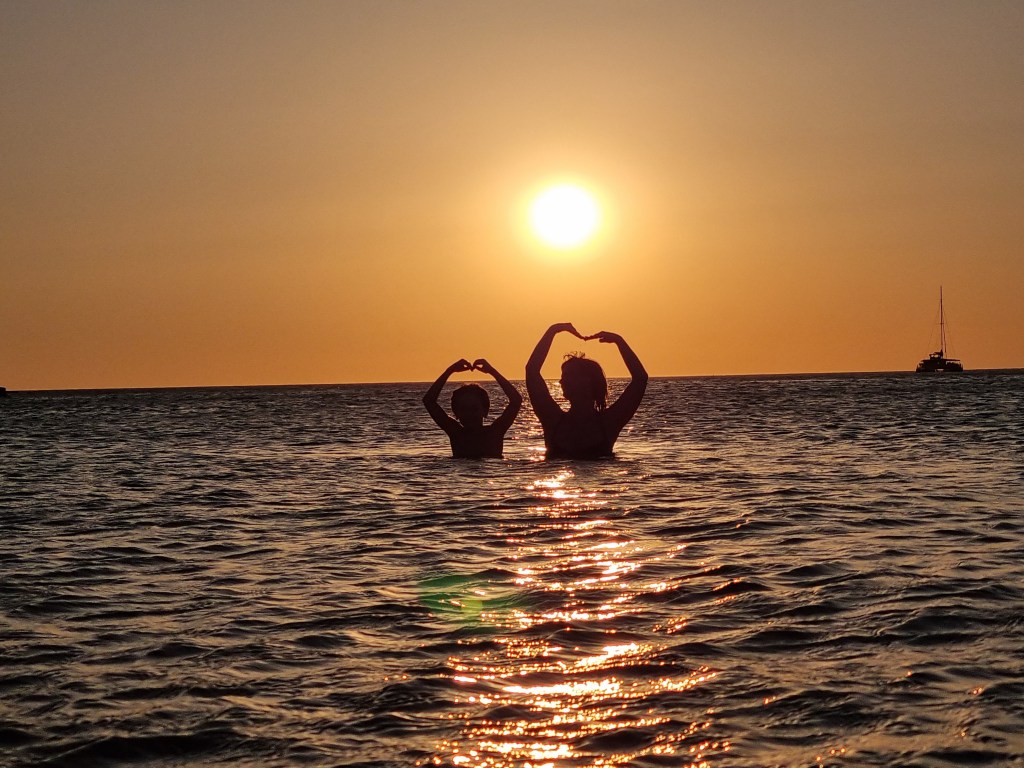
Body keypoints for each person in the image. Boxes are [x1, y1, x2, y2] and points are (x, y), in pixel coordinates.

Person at [526, 323, 647, 459]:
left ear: (587, 381)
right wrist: (553, 330)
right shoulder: (553, 419)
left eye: (568, 376)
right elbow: (531, 371)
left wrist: (619, 341)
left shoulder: (609, 422)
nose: (561, 382)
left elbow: (640, 379)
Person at [423, 358, 523, 458]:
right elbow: (428, 401)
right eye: (464, 409)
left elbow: (516, 400)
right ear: (456, 413)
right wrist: (449, 371)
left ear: (485, 411)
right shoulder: (456, 433)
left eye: (474, 409)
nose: (469, 414)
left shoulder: (494, 432)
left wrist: (492, 371)